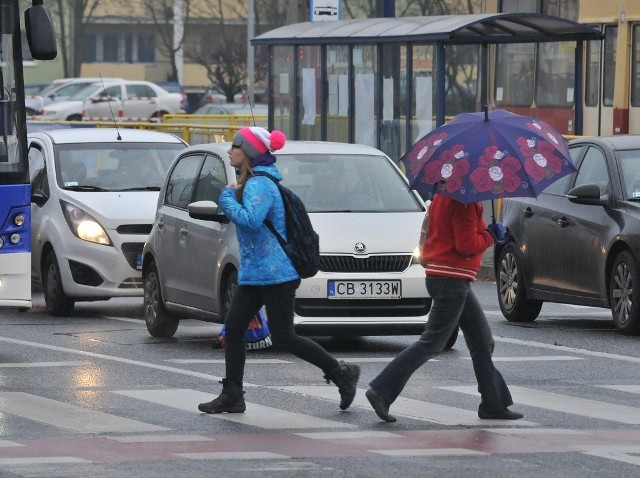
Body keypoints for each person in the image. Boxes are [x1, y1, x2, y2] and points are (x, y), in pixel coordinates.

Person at [197, 126, 360, 414]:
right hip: (257, 273)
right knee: (234, 329)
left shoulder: (260, 185)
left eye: (235, 146)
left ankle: (340, 372)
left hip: (277, 274)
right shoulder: (254, 183)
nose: (230, 151)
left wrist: (224, 199)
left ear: (247, 153)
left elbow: (250, 221)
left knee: (283, 336)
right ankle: (233, 393)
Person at [365, 193, 523, 423]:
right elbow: (466, 244)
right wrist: (490, 235)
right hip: (452, 278)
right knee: (432, 342)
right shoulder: (465, 201)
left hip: (448, 276)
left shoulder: (443, 194)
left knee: (482, 341)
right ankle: (382, 391)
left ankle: (493, 403)